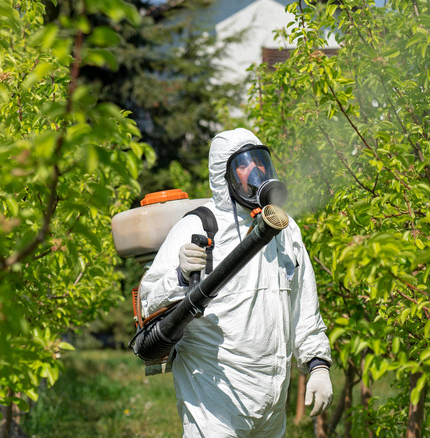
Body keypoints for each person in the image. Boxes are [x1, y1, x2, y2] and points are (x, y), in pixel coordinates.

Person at [139, 128, 333, 437]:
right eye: (243, 164)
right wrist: (179, 273)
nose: (255, 171)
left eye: (260, 162)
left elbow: (304, 307)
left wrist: (318, 364)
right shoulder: (198, 226)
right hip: (212, 398)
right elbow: (147, 299)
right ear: (224, 175)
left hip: (271, 402)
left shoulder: (285, 229)